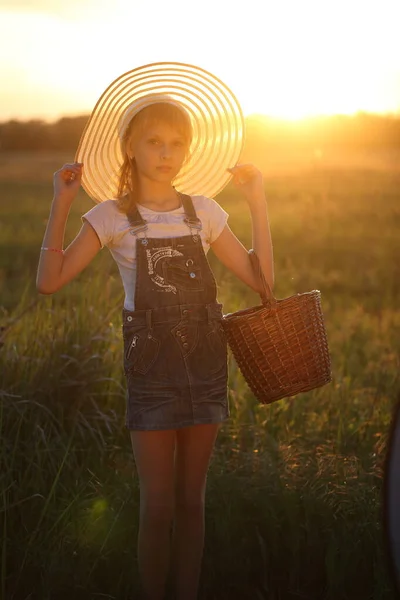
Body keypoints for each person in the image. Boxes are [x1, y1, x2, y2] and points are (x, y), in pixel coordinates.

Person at [36, 63, 274, 600]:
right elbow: (49, 281)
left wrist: (257, 201)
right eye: (154, 141)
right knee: (158, 504)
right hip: (152, 374)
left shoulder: (206, 212)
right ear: (130, 146)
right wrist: (60, 204)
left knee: (193, 501)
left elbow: (263, 281)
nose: (167, 153)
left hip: (207, 370)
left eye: (177, 143)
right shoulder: (111, 217)